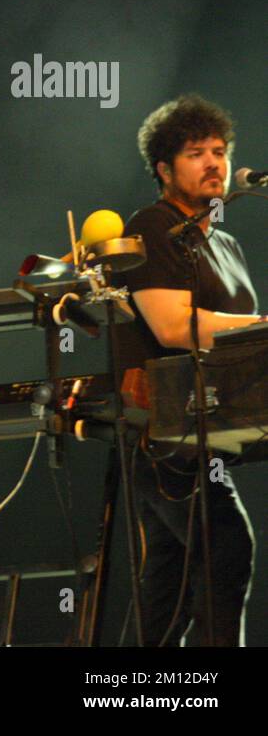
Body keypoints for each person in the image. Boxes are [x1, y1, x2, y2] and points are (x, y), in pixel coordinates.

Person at [117, 93, 265, 645]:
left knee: (169, 585)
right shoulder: (153, 225)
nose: (214, 163)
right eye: (196, 152)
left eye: (220, 150)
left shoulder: (225, 242)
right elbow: (171, 327)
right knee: (226, 546)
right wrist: (261, 327)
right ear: (163, 168)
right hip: (164, 430)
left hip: (210, 428)